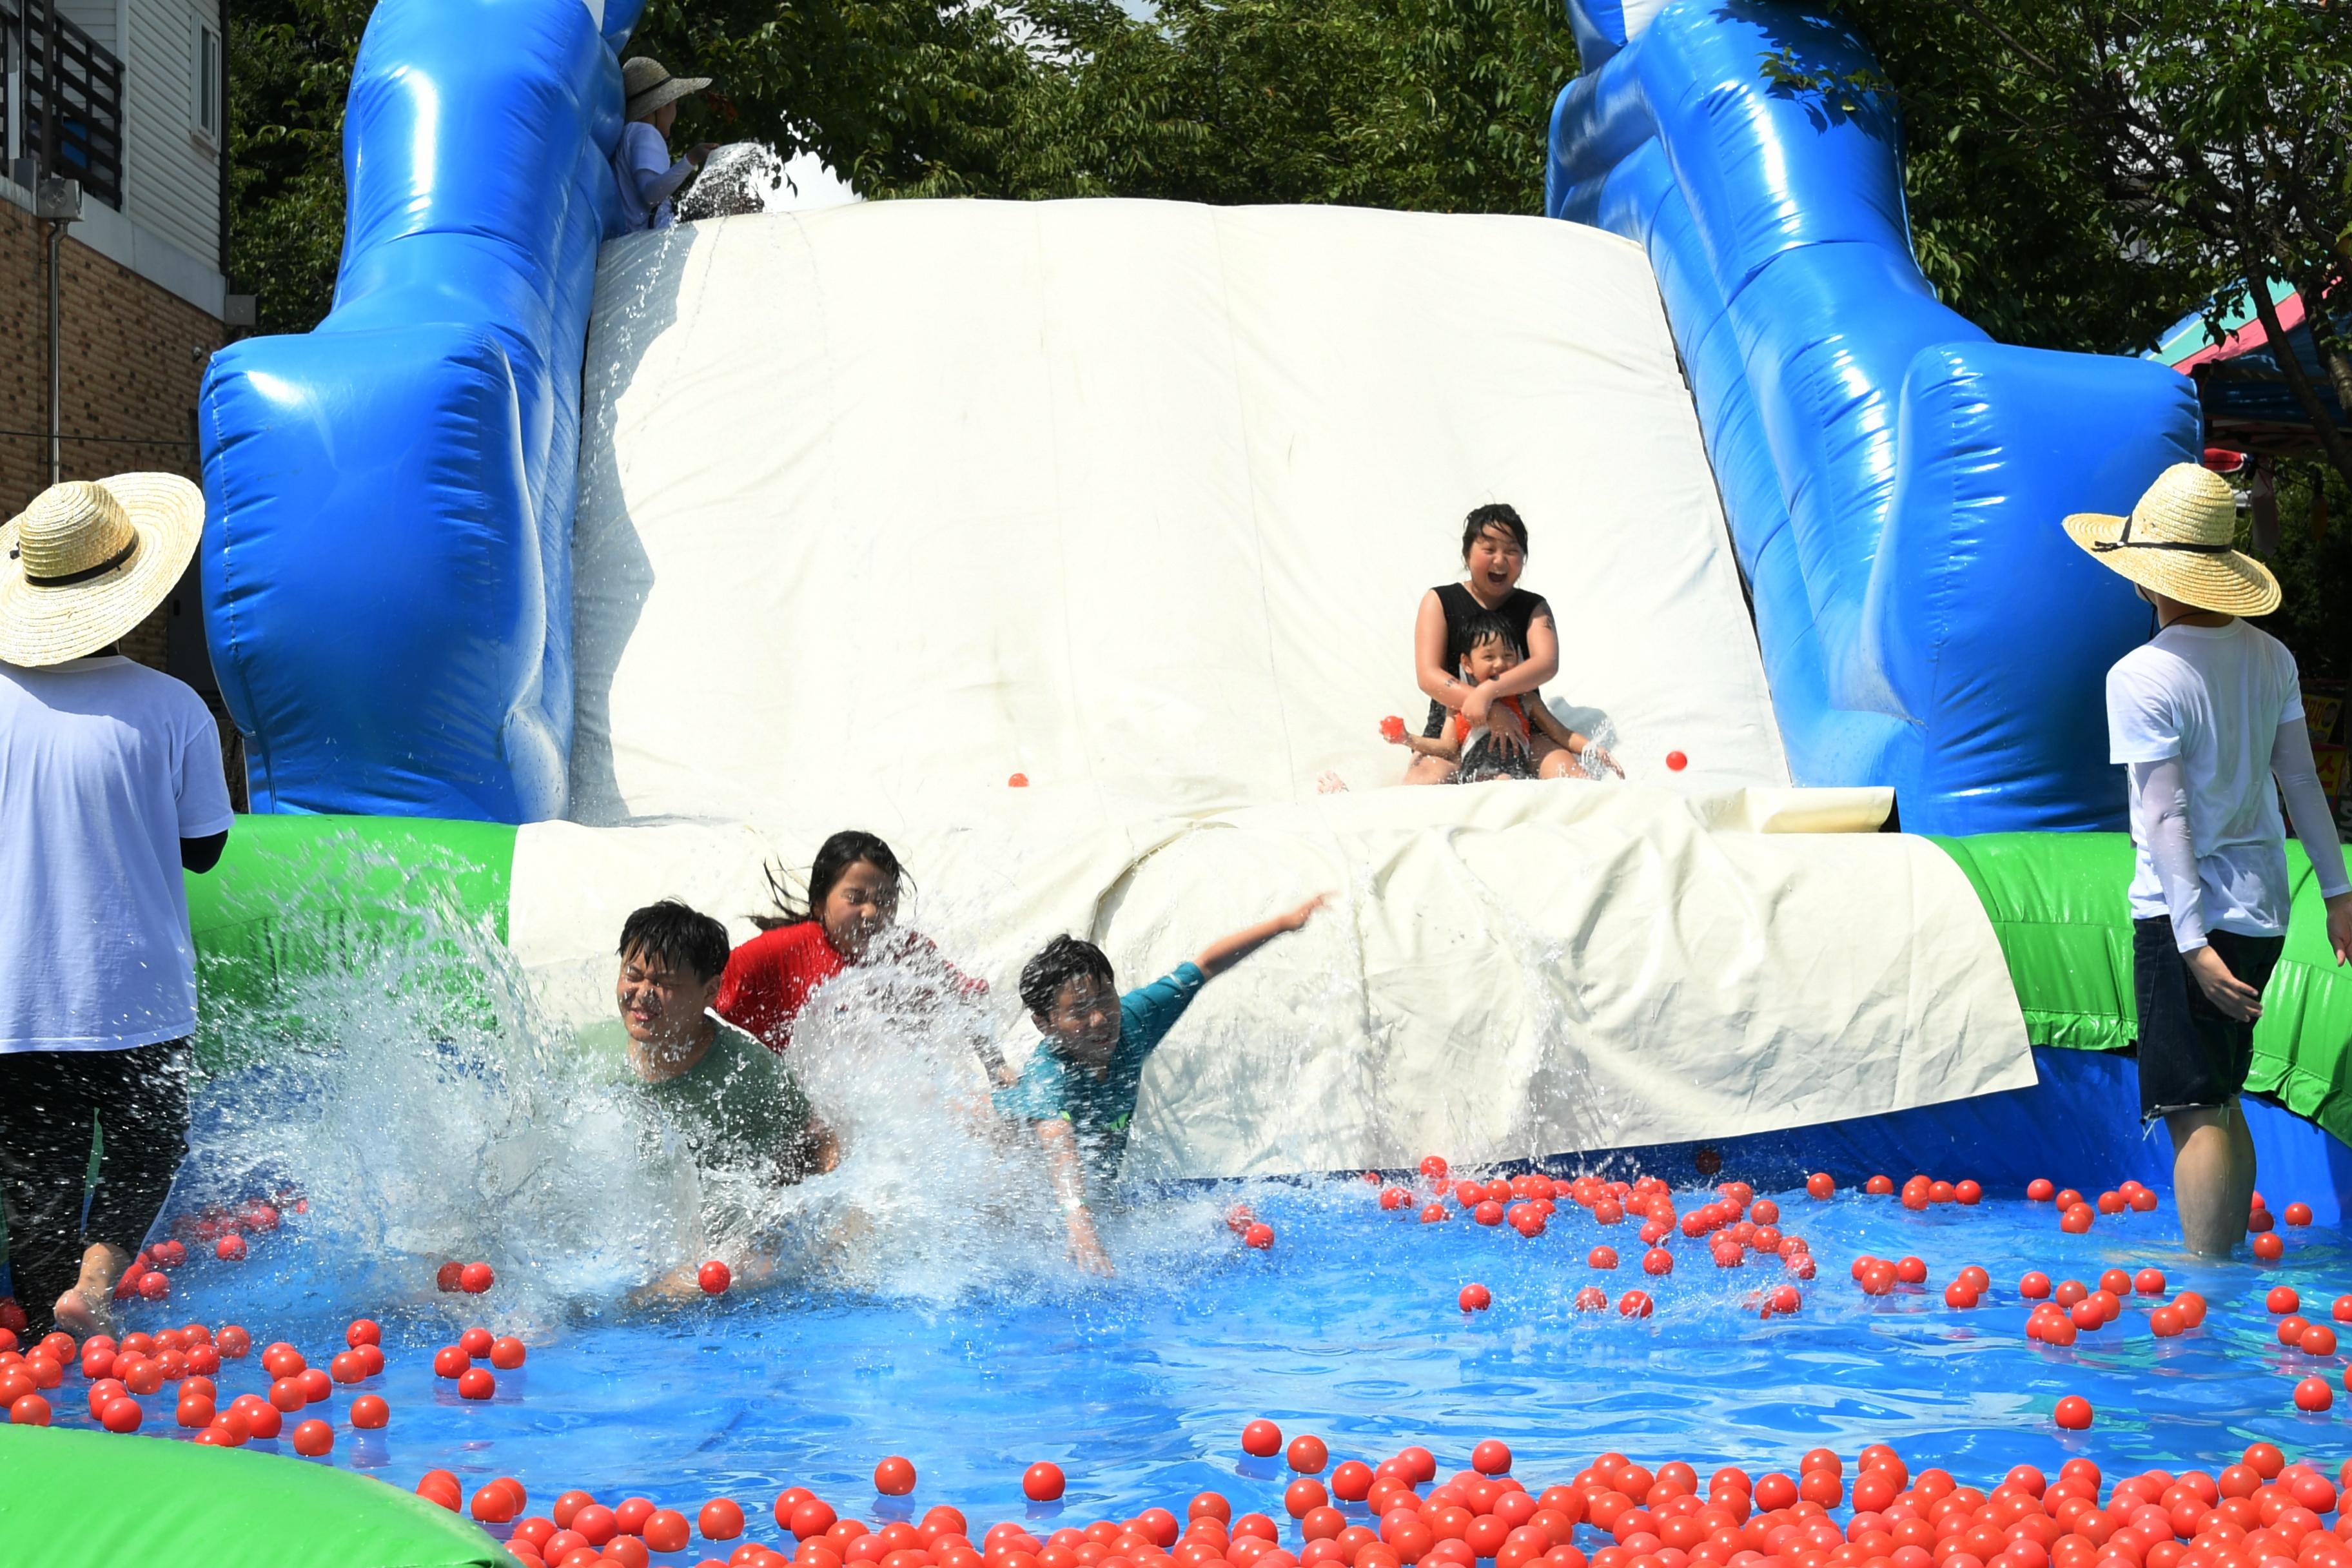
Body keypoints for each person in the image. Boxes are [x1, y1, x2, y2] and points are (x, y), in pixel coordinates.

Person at [2066, 462, 2352, 1257]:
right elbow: (2301, 778)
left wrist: (2190, 943)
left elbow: (2166, 813)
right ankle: (2229, 1263)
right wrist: (2338, 891)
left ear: (2147, 577)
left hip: (2185, 914)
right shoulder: (2270, 656)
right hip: (2265, 906)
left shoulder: (2143, 672)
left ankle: (2209, 1284)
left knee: (2191, 1107)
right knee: (2225, 1095)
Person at [0, 476, 233, 1337]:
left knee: (39, 1172)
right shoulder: (171, 709)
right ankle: (93, 1283)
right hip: (135, 989)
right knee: (148, 1147)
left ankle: (43, 1333)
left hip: (17, 997)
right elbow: (203, 849)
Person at [998, 896, 1328, 1275]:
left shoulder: (1135, 1019)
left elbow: (1205, 966)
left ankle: (1001, 1073)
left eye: (1106, 998)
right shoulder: (1051, 1074)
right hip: (1013, 1151)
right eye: (1079, 1012)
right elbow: (1059, 1148)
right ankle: (994, 1072)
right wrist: (1079, 1225)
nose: (1100, 1019)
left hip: (1064, 1162)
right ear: (1044, 1022)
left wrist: (1284, 923)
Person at [598, 901, 838, 1298]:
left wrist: (778, 1234)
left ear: (710, 990)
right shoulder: (595, 1052)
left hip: (717, 1251)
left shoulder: (747, 1073)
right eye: (633, 975)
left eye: (665, 984)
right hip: (629, 1245)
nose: (643, 995)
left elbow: (817, 1140)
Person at [718, 830, 1003, 1077]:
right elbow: (702, 988)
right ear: (819, 904)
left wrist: (998, 1069)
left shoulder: (907, 952)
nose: (871, 912)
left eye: (885, 900)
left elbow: (966, 1000)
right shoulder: (784, 949)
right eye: (855, 898)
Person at [1405, 503, 1602, 784]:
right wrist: (1491, 707)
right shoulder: (1439, 601)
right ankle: (1348, 802)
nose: (1500, 560)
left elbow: (1546, 663)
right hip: (1452, 730)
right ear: (1467, 554)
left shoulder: (1533, 607)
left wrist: (1490, 693)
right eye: (1489, 550)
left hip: (1523, 728)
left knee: (1571, 778)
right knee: (1422, 782)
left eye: (1511, 551)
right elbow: (1428, 675)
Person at [1387, 609, 1617, 783]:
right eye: (1489, 657)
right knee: (1497, 784)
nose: (1500, 664)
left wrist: (1592, 748)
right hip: (1477, 777)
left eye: (1508, 655)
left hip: (1514, 776)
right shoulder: (1457, 705)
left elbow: (1561, 734)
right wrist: (1409, 739)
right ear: (1467, 664)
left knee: (1511, 782)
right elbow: (1447, 748)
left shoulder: (1525, 699)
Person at [611, 57, 718, 233]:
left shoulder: (629, 133)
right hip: (646, 242)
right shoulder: (646, 133)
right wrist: (692, 159)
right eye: (675, 104)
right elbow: (651, 195)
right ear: (663, 106)